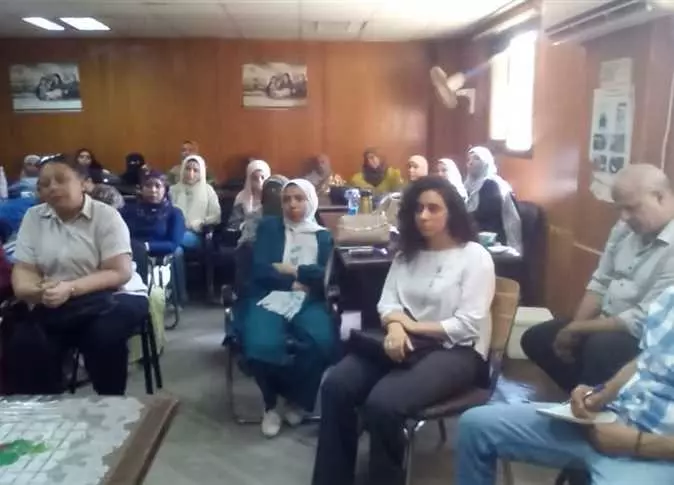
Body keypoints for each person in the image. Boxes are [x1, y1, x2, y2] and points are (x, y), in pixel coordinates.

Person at [312, 176, 495, 485]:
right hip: (405, 342)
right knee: (336, 385)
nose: (423, 216)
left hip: (457, 351)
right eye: (418, 208)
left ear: (452, 212)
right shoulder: (406, 254)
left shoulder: (474, 256)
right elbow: (387, 303)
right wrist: (397, 328)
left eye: (434, 208)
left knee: (383, 403)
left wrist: (410, 326)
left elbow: (467, 325)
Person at [455, 284, 674, 485]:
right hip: (615, 419)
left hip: (657, 451)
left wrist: (636, 443)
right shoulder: (669, 296)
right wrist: (601, 393)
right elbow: (647, 359)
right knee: (475, 426)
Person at [522, 164, 674, 393]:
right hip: (607, 321)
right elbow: (601, 281)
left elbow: (644, 319)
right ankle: (584, 398)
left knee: (600, 347)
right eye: (620, 209)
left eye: (631, 208)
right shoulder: (624, 228)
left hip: (650, 338)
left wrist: (580, 328)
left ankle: (596, 405)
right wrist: (575, 327)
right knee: (537, 339)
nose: (624, 217)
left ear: (659, 197)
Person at [6, 158, 148, 395]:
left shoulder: (106, 216)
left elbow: (119, 272)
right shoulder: (33, 217)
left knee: (102, 336)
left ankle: (110, 403)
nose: (52, 188)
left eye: (61, 180)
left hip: (117, 294)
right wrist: (35, 291)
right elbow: (24, 270)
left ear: (84, 183)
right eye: (44, 184)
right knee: (25, 342)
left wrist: (70, 288)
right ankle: (47, 406)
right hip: (59, 298)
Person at [241, 179, 336, 438]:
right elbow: (261, 268)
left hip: (309, 299)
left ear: (310, 201)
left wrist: (293, 269)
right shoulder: (270, 228)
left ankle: (298, 400)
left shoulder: (323, 236)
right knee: (260, 342)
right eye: (287, 199)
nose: (292, 204)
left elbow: (324, 276)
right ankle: (271, 404)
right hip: (269, 294)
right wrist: (293, 282)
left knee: (321, 341)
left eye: (299, 198)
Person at [121, 170, 186, 302]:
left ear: (165, 189)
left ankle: (144, 296)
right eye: (148, 186)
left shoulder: (174, 213)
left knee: (139, 251)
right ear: (141, 188)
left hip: (156, 249)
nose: (153, 190)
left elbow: (173, 244)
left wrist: (146, 246)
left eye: (157, 186)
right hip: (129, 249)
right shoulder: (129, 210)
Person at [464, 146, 522, 252]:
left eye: (476, 158)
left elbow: (511, 219)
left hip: (494, 244)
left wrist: (514, 247)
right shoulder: (466, 187)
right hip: (470, 243)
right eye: (469, 159)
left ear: (486, 162)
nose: (470, 163)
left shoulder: (495, 186)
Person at [169, 155, 221, 249]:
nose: (191, 173)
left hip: (196, 234)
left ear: (201, 172)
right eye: (188, 169)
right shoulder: (173, 190)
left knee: (176, 239)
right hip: (175, 231)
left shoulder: (208, 190)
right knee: (177, 251)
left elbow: (216, 216)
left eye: (195, 170)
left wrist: (199, 223)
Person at [238, 174, 289, 246]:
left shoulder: (292, 215)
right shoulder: (255, 216)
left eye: (277, 188)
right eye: (269, 188)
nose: (272, 191)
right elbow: (245, 240)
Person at [227, 159, 271, 230]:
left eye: (263, 177)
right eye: (255, 178)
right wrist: (247, 226)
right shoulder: (241, 197)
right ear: (249, 180)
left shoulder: (273, 197)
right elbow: (233, 223)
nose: (260, 181)